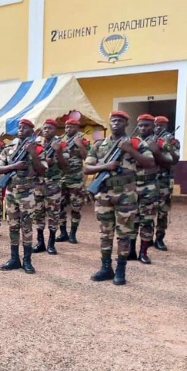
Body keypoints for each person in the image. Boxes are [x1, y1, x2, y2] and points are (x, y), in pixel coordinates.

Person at [84, 111, 154, 285]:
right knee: (105, 233)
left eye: (120, 121)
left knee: (124, 234)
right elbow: (87, 168)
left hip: (126, 194)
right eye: (114, 120)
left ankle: (121, 270)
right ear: (110, 123)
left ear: (126, 124)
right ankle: (106, 267)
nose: (116, 123)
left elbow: (150, 163)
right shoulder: (99, 145)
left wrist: (130, 150)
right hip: (104, 193)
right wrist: (106, 166)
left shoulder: (137, 143)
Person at [0, 119, 47, 274]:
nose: (21, 129)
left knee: (27, 226)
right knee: (13, 225)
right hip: (11, 193)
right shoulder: (9, 149)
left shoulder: (38, 149)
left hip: (28, 194)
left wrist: (33, 154)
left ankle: (27, 261)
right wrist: (13, 167)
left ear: (32, 131)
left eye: (25, 127)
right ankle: (14, 258)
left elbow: (43, 170)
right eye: (19, 127)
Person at [128, 114, 172, 264]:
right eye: (140, 125)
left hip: (150, 185)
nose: (143, 128)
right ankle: (131, 251)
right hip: (133, 185)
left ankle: (143, 252)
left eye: (146, 125)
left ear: (153, 126)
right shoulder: (132, 142)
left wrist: (157, 151)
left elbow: (170, 162)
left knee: (146, 220)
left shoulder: (160, 142)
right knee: (132, 219)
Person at [33, 119, 69, 255]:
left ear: (55, 130)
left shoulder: (61, 144)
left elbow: (64, 165)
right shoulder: (37, 144)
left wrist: (58, 152)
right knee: (38, 213)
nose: (47, 130)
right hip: (38, 183)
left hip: (53, 183)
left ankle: (51, 243)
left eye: (50, 128)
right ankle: (40, 242)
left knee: (53, 214)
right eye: (45, 128)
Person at [56, 119, 90, 244]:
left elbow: (87, 157)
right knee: (60, 207)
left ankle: (73, 234)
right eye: (66, 126)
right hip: (61, 178)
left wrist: (80, 144)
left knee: (76, 207)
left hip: (76, 179)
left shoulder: (83, 140)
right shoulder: (59, 140)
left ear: (77, 127)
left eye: (71, 127)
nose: (68, 129)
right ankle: (63, 232)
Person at [153, 115, 180, 251]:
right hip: (149, 179)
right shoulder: (150, 139)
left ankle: (159, 238)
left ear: (166, 126)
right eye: (156, 125)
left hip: (164, 180)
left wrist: (167, 145)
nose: (158, 127)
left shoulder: (173, 141)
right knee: (147, 210)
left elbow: (173, 160)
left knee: (162, 211)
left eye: (161, 125)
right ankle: (147, 238)